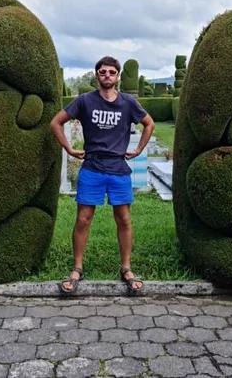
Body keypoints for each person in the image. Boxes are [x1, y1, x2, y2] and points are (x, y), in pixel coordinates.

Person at [50, 56, 155, 294]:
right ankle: (77, 268)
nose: (107, 75)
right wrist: (68, 148)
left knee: (124, 219)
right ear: (96, 76)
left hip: (118, 170)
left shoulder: (128, 103)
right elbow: (56, 122)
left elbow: (149, 124)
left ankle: (126, 268)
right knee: (83, 219)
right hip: (92, 168)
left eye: (111, 72)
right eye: (103, 72)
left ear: (117, 77)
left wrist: (138, 150)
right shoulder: (85, 101)